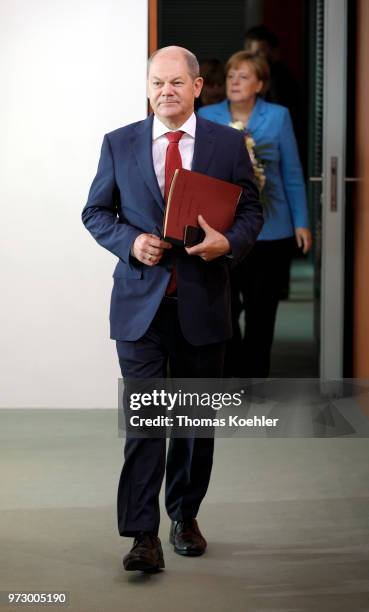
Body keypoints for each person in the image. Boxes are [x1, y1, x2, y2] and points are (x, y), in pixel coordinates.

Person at [82, 46, 263, 573]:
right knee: (146, 422)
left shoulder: (228, 145)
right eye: (158, 83)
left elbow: (251, 209)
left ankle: (184, 516)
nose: (167, 91)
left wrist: (227, 243)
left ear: (197, 87)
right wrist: (130, 242)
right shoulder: (119, 144)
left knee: (192, 424)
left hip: (202, 305)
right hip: (140, 307)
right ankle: (142, 535)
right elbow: (95, 211)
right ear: (147, 87)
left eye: (177, 83)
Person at [198, 51, 312, 378]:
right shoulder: (207, 115)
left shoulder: (278, 116)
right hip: (224, 231)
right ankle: (232, 371)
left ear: (259, 84)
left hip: (272, 230)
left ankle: (256, 379)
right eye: (232, 75)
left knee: (263, 312)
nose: (234, 81)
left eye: (243, 76)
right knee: (226, 309)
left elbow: (291, 172)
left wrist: (301, 222)